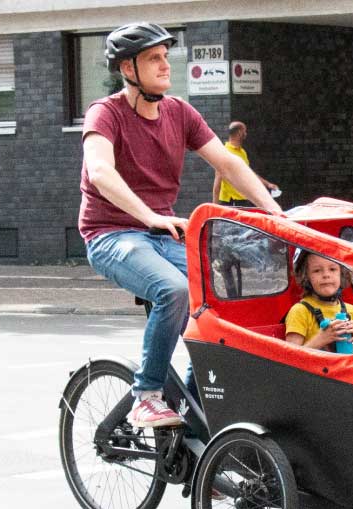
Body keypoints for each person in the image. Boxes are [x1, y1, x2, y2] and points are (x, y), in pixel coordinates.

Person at [79, 22, 282, 428]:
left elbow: (227, 164)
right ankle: (147, 396)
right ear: (128, 69)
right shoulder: (105, 114)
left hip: (163, 234)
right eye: (153, 58)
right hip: (111, 235)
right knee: (172, 290)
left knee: (220, 299)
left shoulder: (179, 112)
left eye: (165, 56)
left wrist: (274, 212)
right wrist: (149, 215)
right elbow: (101, 172)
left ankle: (195, 401)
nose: (165, 64)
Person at [283, 251, 353, 354]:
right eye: (317, 270)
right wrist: (321, 339)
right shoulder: (300, 311)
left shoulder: (352, 311)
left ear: (341, 274)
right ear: (306, 276)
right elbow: (291, 357)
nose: (326, 275)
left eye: (332, 269)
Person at [212, 121, 279, 206]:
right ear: (240, 132)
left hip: (242, 199)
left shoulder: (242, 152)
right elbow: (217, 183)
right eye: (245, 131)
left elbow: (249, 173)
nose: (246, 134)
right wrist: (214, 208)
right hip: (230, 201)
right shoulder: (224, 152)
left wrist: (268, 184)